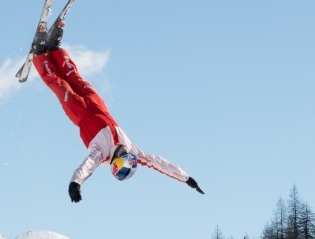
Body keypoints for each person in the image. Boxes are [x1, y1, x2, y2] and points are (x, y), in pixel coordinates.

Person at [32, 19, 205, 204]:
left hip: (80, 113)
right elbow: (159, 163)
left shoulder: (101, 154)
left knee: (60, 85)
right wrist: (186, 178)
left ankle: (41, 54)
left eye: (123, 159)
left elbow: (87, 166)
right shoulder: (133, 151)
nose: (125, 153)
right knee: (74, 77)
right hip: (98, 105)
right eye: (129, 158)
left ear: (115, 163)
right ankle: (56, 50)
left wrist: (75, 183)